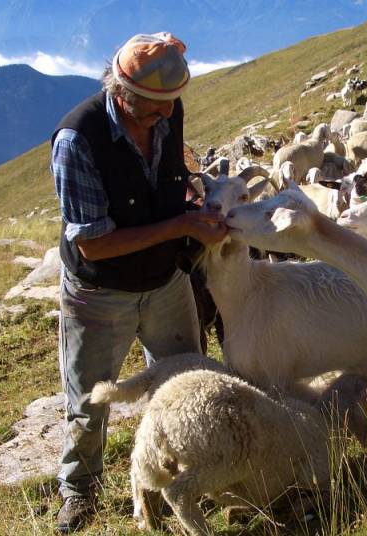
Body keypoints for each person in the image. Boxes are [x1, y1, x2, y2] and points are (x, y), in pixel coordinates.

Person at [50, 32, 226, 533]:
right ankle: (80, 491)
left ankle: (178, 470)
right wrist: (182, 227)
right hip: (99, 293)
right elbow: (94, 244)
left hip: (165, 280)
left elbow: (168, 176)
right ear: (123, 95)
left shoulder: (166, 109)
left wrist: (192, 204)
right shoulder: (77, 141)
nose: (167, 117)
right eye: (154, 109)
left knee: (184, 383)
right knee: (89, 400)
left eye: (172, 105)